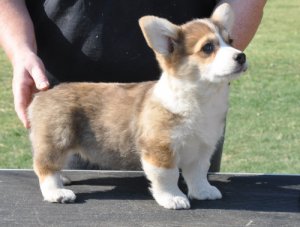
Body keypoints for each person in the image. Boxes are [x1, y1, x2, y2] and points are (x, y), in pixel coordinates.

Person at [0, 0, 266, 171]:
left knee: (193, 207)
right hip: (72, 103)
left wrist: (215, 58)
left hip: (194, 102)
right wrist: (20, 49)